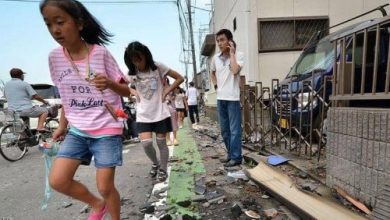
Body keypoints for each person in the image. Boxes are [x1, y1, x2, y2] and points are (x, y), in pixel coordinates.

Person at [40, 1, 130, 219]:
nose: (55, 30)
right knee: (58, 180)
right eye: (48, 24)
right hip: (78, 130)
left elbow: (127, 91)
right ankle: (97, 205)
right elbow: (66, 95)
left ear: (79, 24)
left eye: (60, 22)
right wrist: (62, 125)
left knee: (105, 186)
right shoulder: (54, 58)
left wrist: (109, 83)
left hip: (107, 128)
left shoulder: (100, 54)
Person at [124, 41, 184, 182]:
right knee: (146, 143)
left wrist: (166, 91)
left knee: (161, 143)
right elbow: (120, 84)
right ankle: (155, 163)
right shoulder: (132, 73)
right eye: (134, 61)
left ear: (145, 55)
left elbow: (180, 78)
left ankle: (163, 169)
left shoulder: (158, 67)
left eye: (140, 59)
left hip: (160, 112)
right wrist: (132, 92)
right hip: (143, 114)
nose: (138, 63)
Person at [210, 29, 244, 167]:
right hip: (221, 98)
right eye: (218, 41)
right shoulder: (215, 58)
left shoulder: (239, 55)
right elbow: (212, 72)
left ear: (229, 41)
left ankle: (236, 157)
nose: (219, 43)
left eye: (222, 40)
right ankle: (231, 155)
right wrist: (216, 86)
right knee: (225, 130)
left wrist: (232, 54)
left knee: (235, 130)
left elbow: (235, 70)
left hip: (233, 98)